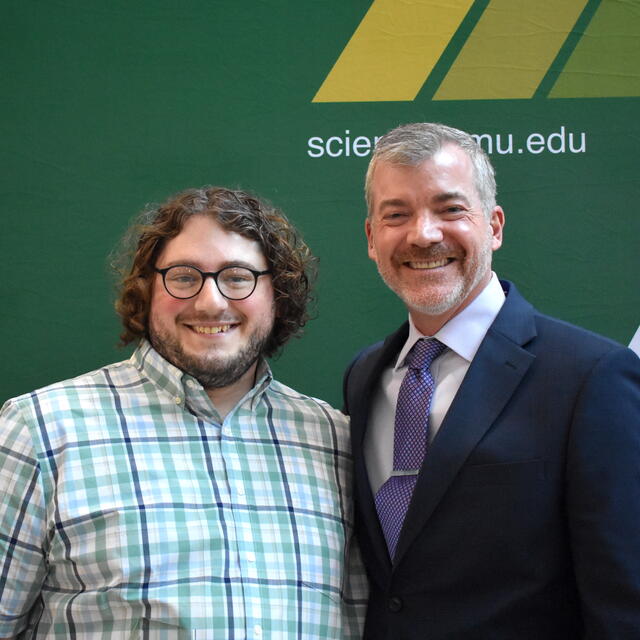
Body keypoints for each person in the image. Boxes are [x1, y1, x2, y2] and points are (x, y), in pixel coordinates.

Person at [0, 187, 367, 638]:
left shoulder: (337, 442)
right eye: (184, 276)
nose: (211, 301)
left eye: (237, 277)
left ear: (277, 294)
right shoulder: (39, 433)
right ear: (147, 288)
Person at [343, 122, 640, 638]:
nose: (423, 233)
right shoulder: (364, 377)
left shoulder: (593, 377)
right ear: (372, 238)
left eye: (450, 208)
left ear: (495, 226)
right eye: (397, 215)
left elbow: (624, 603)